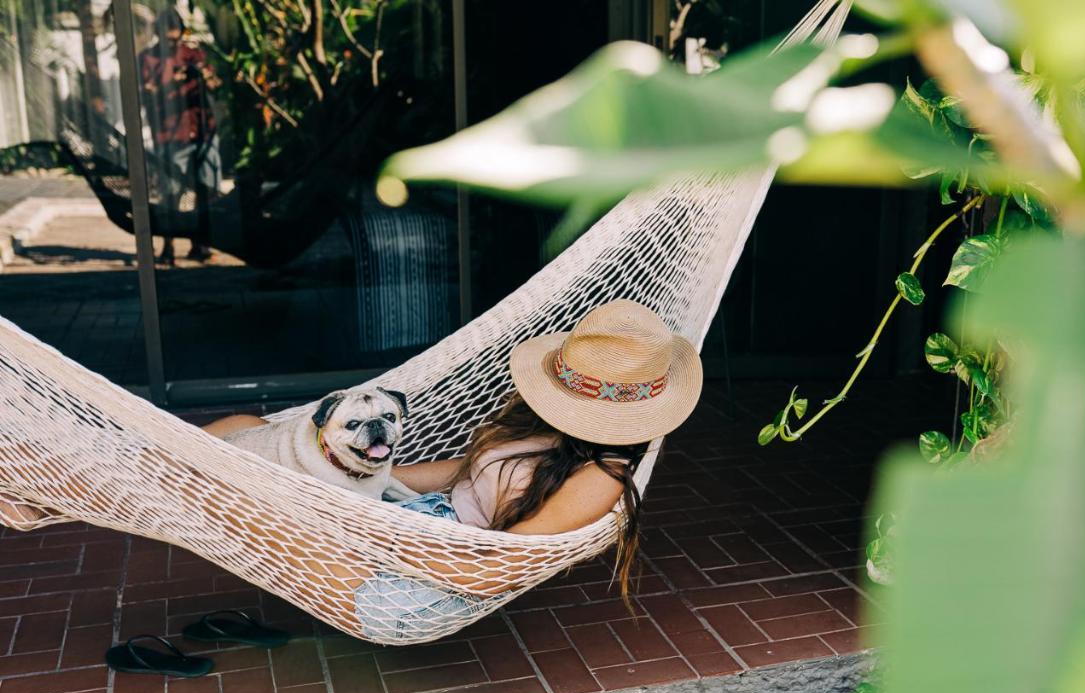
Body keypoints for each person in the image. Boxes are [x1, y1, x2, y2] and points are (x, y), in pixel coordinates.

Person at [200, 299, 703, 642]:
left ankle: (160, 475)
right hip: (420, 526)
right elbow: (464, 471)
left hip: (417, 590)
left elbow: (504, 563)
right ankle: (164, 460)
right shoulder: (544, 422)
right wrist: (364, 478)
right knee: (245, 427)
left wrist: (386, 541)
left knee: (242, 507)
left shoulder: (601, 476)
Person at [139, 8, 221, 265]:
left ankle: (201, 244)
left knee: (206, 191)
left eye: (176, 39)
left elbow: (215, 84)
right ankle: (168, 247)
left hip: (202, 132)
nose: (172, 44)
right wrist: (170, 83)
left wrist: (205, 76)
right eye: (168, 39)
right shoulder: (148, 59)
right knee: (171, 194)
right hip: (170, 135)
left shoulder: (194, 54)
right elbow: (145, 93)